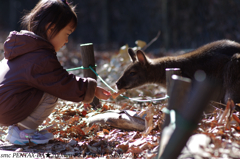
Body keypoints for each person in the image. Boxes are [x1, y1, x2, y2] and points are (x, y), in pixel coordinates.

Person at [0, 0, 111, 145]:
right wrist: (92, 90)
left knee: (46, 87)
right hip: (8, 108)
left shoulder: (23, 48)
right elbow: (62, 83)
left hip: (6, 105)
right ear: (50, 28)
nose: (66, 40)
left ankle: (20, 129)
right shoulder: (40, 57)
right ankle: (23, 131)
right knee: (51, 92)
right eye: (67, 33)